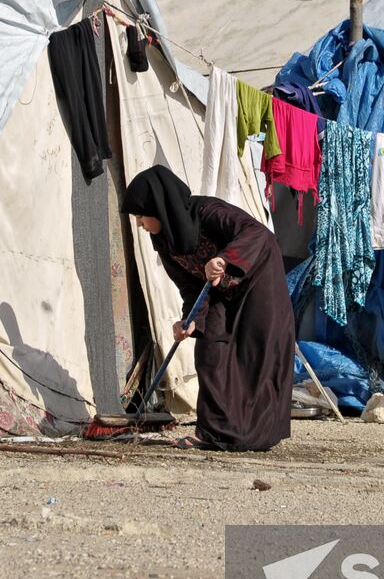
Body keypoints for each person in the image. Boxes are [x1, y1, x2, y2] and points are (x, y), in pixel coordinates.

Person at [122, 165, 294, 451]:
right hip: (219, 295)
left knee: (256, 352)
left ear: (159, 206)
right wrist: (190, 319)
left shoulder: (208, 212)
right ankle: (214, 433)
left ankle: (256, 434)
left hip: (256, 281)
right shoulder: (164, 242)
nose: (139, 223)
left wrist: (225, 259)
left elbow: (259, 234)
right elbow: (190, 287)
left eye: (141, 215)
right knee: (210, 349)